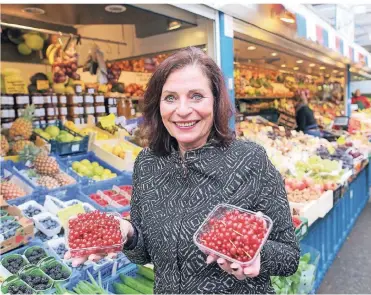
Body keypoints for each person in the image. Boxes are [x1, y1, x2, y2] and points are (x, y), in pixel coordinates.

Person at [68, 47, 300, 293]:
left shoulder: (250, 160)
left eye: (196, 96)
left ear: (215, 100)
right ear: (158, 105)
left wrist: (255, 255)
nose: (182, 110)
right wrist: (129, 234)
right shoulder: (148, 163)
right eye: (170, 97)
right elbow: (144, 253)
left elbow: (289, 256)